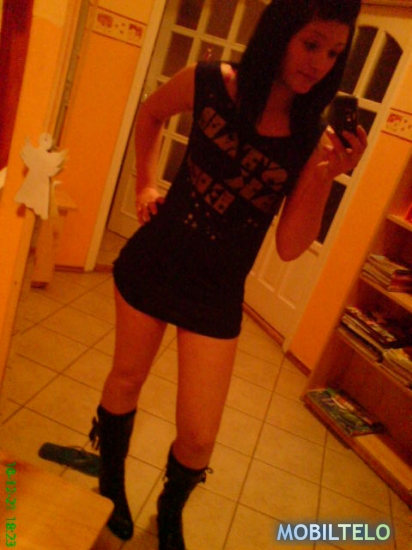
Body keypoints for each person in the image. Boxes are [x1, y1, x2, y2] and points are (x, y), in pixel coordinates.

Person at [89, 0, 367, 547]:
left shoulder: (309, 136)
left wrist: (326, 176)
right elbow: (150, 113)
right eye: (311, 44)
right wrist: (146, 182)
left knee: (198, 436)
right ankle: (111, 486)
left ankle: (169, 509)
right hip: (157, 257)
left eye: (334, 53)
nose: (319, 63)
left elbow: (290, 246)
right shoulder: (210, 81)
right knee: (126, 378)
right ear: (280, 33)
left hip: (216, 293)